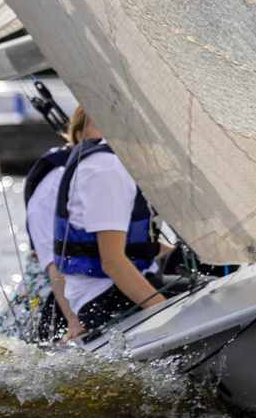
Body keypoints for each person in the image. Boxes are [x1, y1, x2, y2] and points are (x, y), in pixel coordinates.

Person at [48, 114, 169, 337]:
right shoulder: (107, 169)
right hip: (102, 299)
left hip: (102, 291)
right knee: (214, 296)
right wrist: (165, 315)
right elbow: (112, 262)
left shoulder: (109, 162)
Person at [20, 109, 90, 342]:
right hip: (52, 301)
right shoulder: (53, 188)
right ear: (80, 136)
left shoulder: (106, 175)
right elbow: (55, 263)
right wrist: (74, 322)